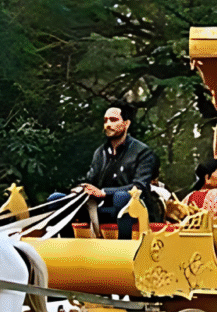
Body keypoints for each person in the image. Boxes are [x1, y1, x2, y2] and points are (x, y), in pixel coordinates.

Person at [50, 101, 160, 239]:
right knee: (55, 199)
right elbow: (91, 181)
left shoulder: (143, 152)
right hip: (99, 208)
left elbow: (139, 187)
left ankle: (124, 248)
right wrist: (82, 188)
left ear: (126, 124)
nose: (108, 124)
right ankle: (68, 245)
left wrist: (104, 193)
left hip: (134, 208)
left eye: (113, 120)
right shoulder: (100, 153)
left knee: (122, 197)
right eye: (105, 120)